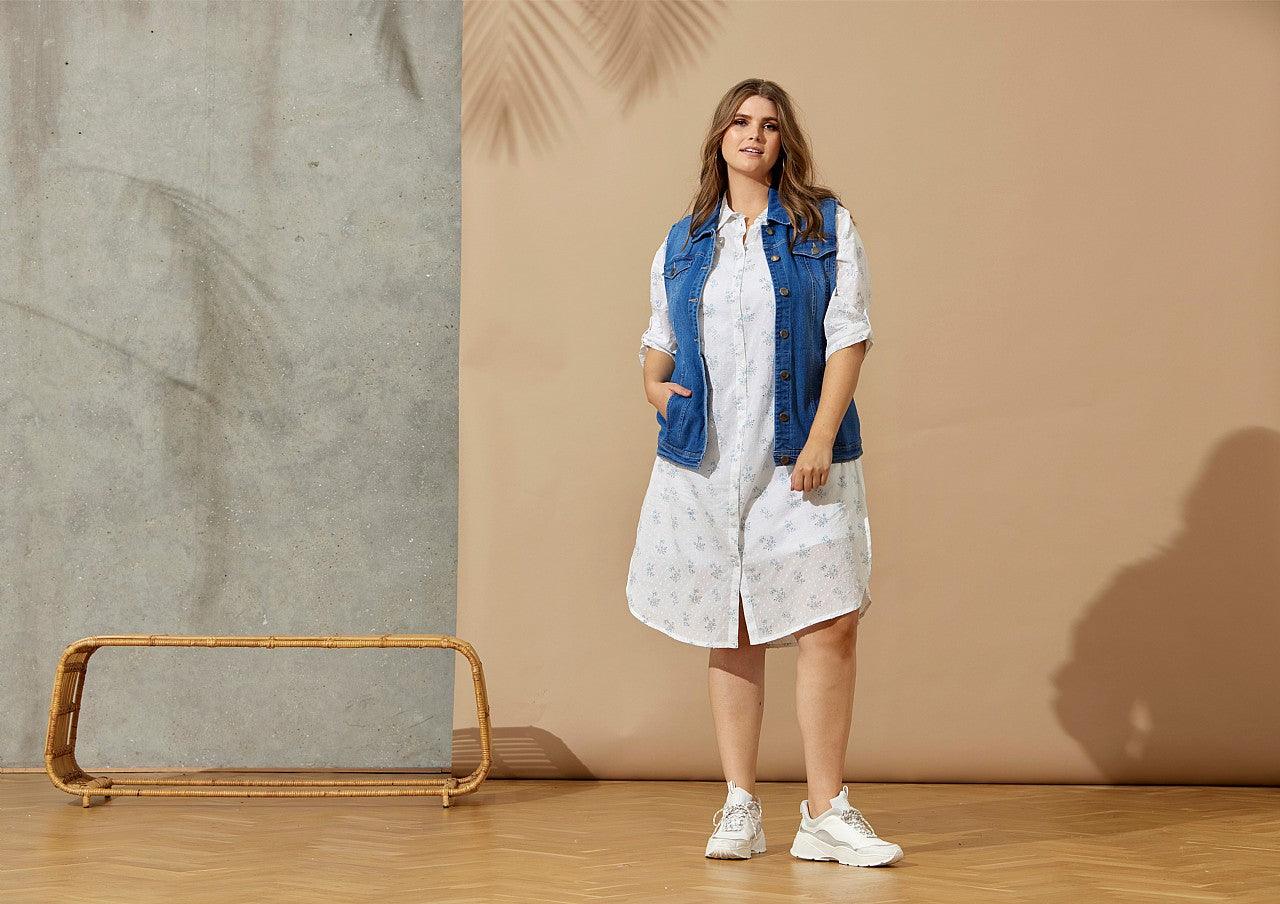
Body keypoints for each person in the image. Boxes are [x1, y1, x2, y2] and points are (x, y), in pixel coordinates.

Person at [626, 78, 903, 867]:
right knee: (733, 622)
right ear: (720, 136)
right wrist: (654, 386)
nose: (754, 135)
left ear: (786, 142)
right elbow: (659, 339)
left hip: (799, 456)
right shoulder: (683, 241)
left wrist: (819, 436)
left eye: (770, 125)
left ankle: (826, 811)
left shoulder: (826, 225)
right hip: (709, 464)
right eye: (741, 122)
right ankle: (740, 805)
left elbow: (849, 335)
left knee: (831, 623)